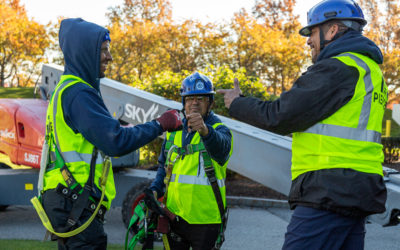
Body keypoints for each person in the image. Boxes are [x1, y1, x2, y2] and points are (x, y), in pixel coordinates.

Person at [217, 0, 387, 249]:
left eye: (312, 32)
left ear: (332, 30)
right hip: (358, 189)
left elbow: (279, 115)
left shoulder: (338, 68)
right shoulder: (371, 71)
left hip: (329, 190)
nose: (308, 40)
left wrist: (236, 103)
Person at [39, 18, 182, 249]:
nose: (110, 57)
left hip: (69, 199)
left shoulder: (67, 89)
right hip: (75, 201)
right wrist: (160, 124)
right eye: (103, 50)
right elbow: (115, 141)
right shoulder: (78, 93)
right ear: (85, 52)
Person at [146, 72, 233, 250]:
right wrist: (155, 189)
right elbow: (164, 167)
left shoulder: (219, 130)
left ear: (210, 103)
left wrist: (205, 130)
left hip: (206, 221)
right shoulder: (174, 130)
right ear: (184, 103)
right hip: (174, 217)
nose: (194, 102)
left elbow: (222, 151)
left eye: (201, 98)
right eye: (190, 98)